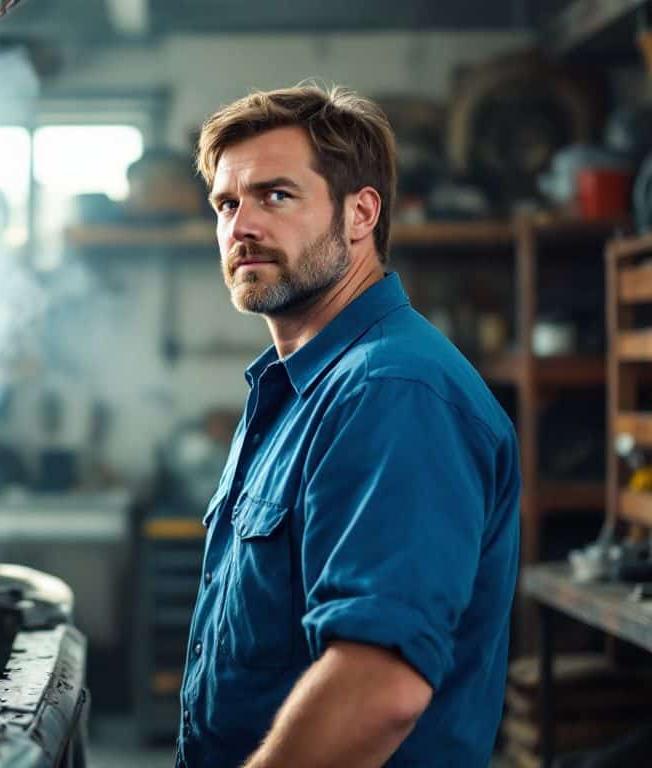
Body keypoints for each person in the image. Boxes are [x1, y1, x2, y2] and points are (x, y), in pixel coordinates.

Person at [177, 83, 520, 768]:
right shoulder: (298, 387)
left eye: (276, 196)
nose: (241, 226)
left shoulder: (394, 392)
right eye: (226, 202)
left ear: (361, 213)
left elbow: (376, 688)